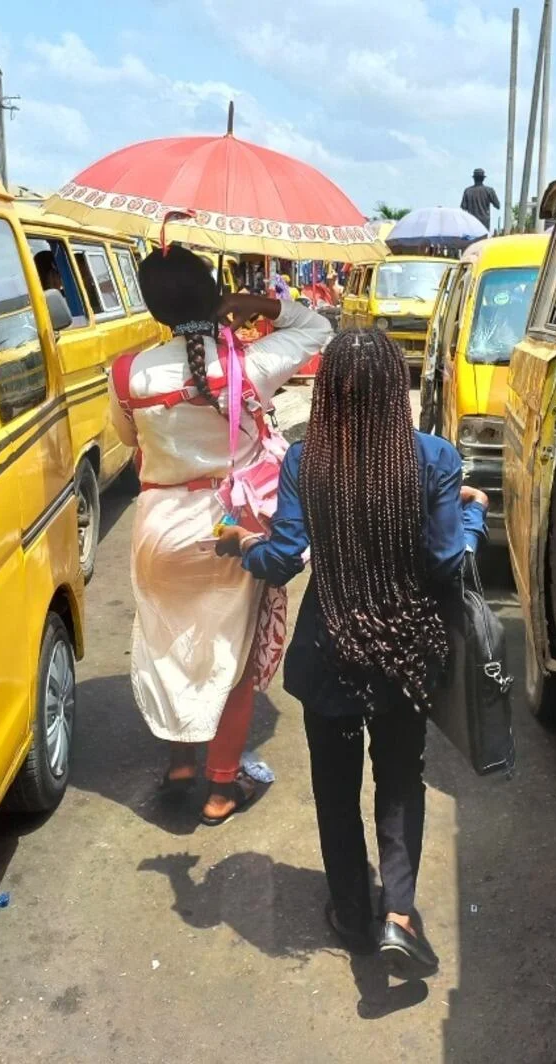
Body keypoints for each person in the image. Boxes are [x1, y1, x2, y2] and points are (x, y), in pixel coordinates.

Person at [216, 328, 488, 975]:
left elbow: (282, 560)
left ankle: (352, 915)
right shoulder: (433, 460)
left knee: (336, 795)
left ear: (330, 395)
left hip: (328, 655)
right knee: (399, 785)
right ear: (399, 390)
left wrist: (239, 542)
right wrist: (471, 513)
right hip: (402, 658)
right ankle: (399, 914)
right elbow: (450, 561)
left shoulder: (304, 462)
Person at [108, 244, 332, 825]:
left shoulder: (127, 372)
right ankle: (221, 787)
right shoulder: (250, 364)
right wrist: (256, 303)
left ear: (152, 305)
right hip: (227, 524)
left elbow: (130, 441)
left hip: (158, 525)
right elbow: (317, 328)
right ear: (215, 297)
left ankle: (183, 763)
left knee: (169, 644)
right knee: (230, 654)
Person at [460, 168, 499, 232]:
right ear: (483, 179)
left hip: (471, 223)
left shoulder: (467, 191)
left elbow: (463, 208)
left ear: (474, 178)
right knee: (484, 241)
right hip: (484, 224)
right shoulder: (489, 190)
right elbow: (497, 205)